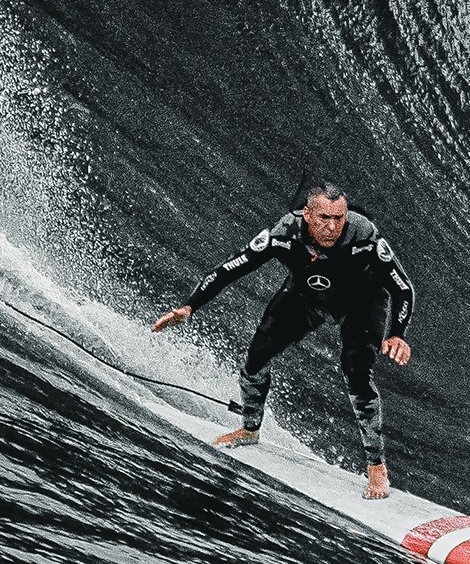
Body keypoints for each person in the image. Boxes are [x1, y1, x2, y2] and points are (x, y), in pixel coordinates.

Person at [150, 181, 416, 499]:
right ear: (307, 214)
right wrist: (189, 306)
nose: (333, 227)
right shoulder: (284, 234)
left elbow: (403, 288)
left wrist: (397, 333)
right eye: (324, 218)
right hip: (309, 295)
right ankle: (250, 429)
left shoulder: (364, 235)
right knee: (256, 358)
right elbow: (231, 268)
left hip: (363, 301)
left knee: (356, 369)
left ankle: (376, 468)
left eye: (339, 218)